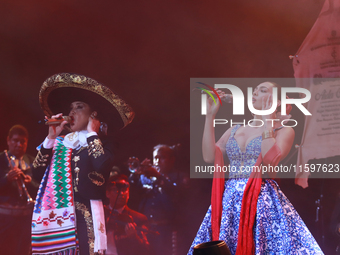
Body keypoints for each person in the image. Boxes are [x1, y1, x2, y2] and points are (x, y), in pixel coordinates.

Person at [188, 82, 323, 254]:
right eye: (256, 89)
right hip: (230, 199)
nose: (255, 92)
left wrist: (268, 121)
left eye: (263, 90)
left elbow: (269, 161)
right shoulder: (234, 129)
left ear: (277, 101)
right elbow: (208, 156)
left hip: (261, 199)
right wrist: (210, 116)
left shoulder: (284, 130)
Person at [31, 73, 134, 255]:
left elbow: (102, 165)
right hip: (59, 217)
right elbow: (37, 174)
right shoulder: (59, 143)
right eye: (70, 108)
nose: (71, 113)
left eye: (79, 107)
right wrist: (50, 138)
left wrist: (93, 134)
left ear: (92, 114)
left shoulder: (105, 143)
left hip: (87, 217)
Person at [129, 144, 188, 255]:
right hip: (147, 229)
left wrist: (159, 176)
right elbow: (132, 194)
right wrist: (135, 173)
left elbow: (178, 195)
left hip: (168, 231)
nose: (157, 161)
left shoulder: (179, 177)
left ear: (172, 160)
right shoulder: (145, 177)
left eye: (162, 157)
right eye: (155, 158)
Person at [0, 125, 37, 255]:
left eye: (23, 141)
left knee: (22, 250)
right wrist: (6, 179)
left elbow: (42, 189)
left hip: (25, 218)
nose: (19, 145)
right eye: (15, 141)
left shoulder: (33, 162)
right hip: (3, 218)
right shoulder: (1, 160)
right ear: (8, 140)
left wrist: (30, 182)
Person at [105, 174, 150, 255]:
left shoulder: (138, 218)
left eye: (124, 190)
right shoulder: (100, 214)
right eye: (116, 190)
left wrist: (134, 237)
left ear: (128, 194)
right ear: (107, 193)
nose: (121, 193)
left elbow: (146, 250)